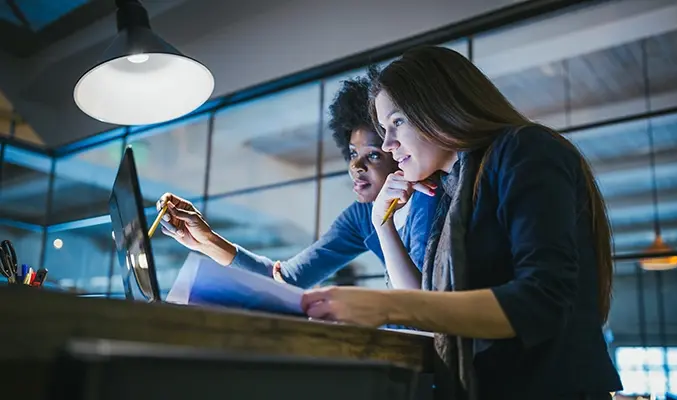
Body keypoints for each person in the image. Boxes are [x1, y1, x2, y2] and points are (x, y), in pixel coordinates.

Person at [299, 46, 623, 399]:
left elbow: (541, 300)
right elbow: (428, 309)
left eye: (397, 122)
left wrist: (384, 305)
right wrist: (382, 223)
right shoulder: (452, 188)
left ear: (438, 107)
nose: (389, 144)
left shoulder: (524, 149)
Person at [158, 68, 438, 289]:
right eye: (352, 153)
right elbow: (286, 280)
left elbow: (424, 304)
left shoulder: (429, 199)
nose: (356, 166)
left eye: (373, 155)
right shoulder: (362, 216)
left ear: (396, 150)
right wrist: (205, 240)